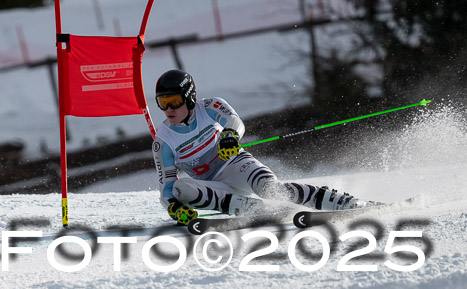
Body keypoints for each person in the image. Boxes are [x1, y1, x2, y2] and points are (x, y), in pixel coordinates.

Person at [151, 69, 374, 225]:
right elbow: (167, 190)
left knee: (272, 189)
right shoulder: (163, 141)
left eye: (174, 101)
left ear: (189, 98)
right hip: (214, 188)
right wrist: (174, 208)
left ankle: (345, 202)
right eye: (162, 103)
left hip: (237, 165)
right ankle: (255, 210)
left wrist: (229, 136)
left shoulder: (209, 106)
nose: (168, 109)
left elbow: (235, 121)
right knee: (182, 190)